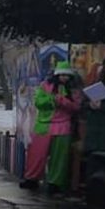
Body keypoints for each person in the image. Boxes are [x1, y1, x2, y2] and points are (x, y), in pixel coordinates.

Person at [20, 61, 82, 193]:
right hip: (44, 125)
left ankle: (55, 183)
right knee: (37, 154)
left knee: (59, 157)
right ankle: (31, 178)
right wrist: (52, 100)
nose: (64, 78)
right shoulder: (45, 85)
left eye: (66, 75)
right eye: (61, 75)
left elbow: (76, 106)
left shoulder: (73, 90)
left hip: (63, 126)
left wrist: (63, 101)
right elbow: (38, 102)